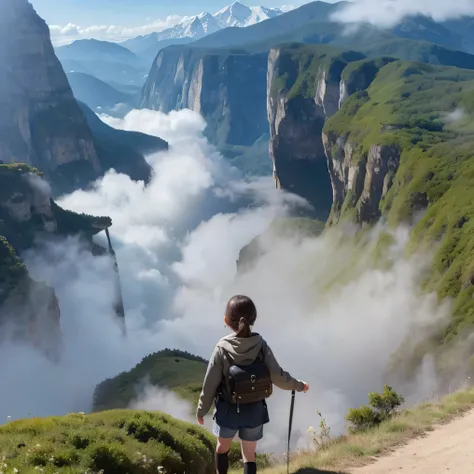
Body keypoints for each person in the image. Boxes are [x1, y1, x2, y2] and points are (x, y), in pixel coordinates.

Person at [196, 294, 309, 474]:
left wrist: (202, 409)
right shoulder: (261, 345)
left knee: (221, 448)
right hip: (254, 411)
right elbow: (278, 376)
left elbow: (210, 383)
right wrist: (299, 385)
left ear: (226, 320)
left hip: (227, 412)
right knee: (249, 454)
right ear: (254, 319)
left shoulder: (221, 348)